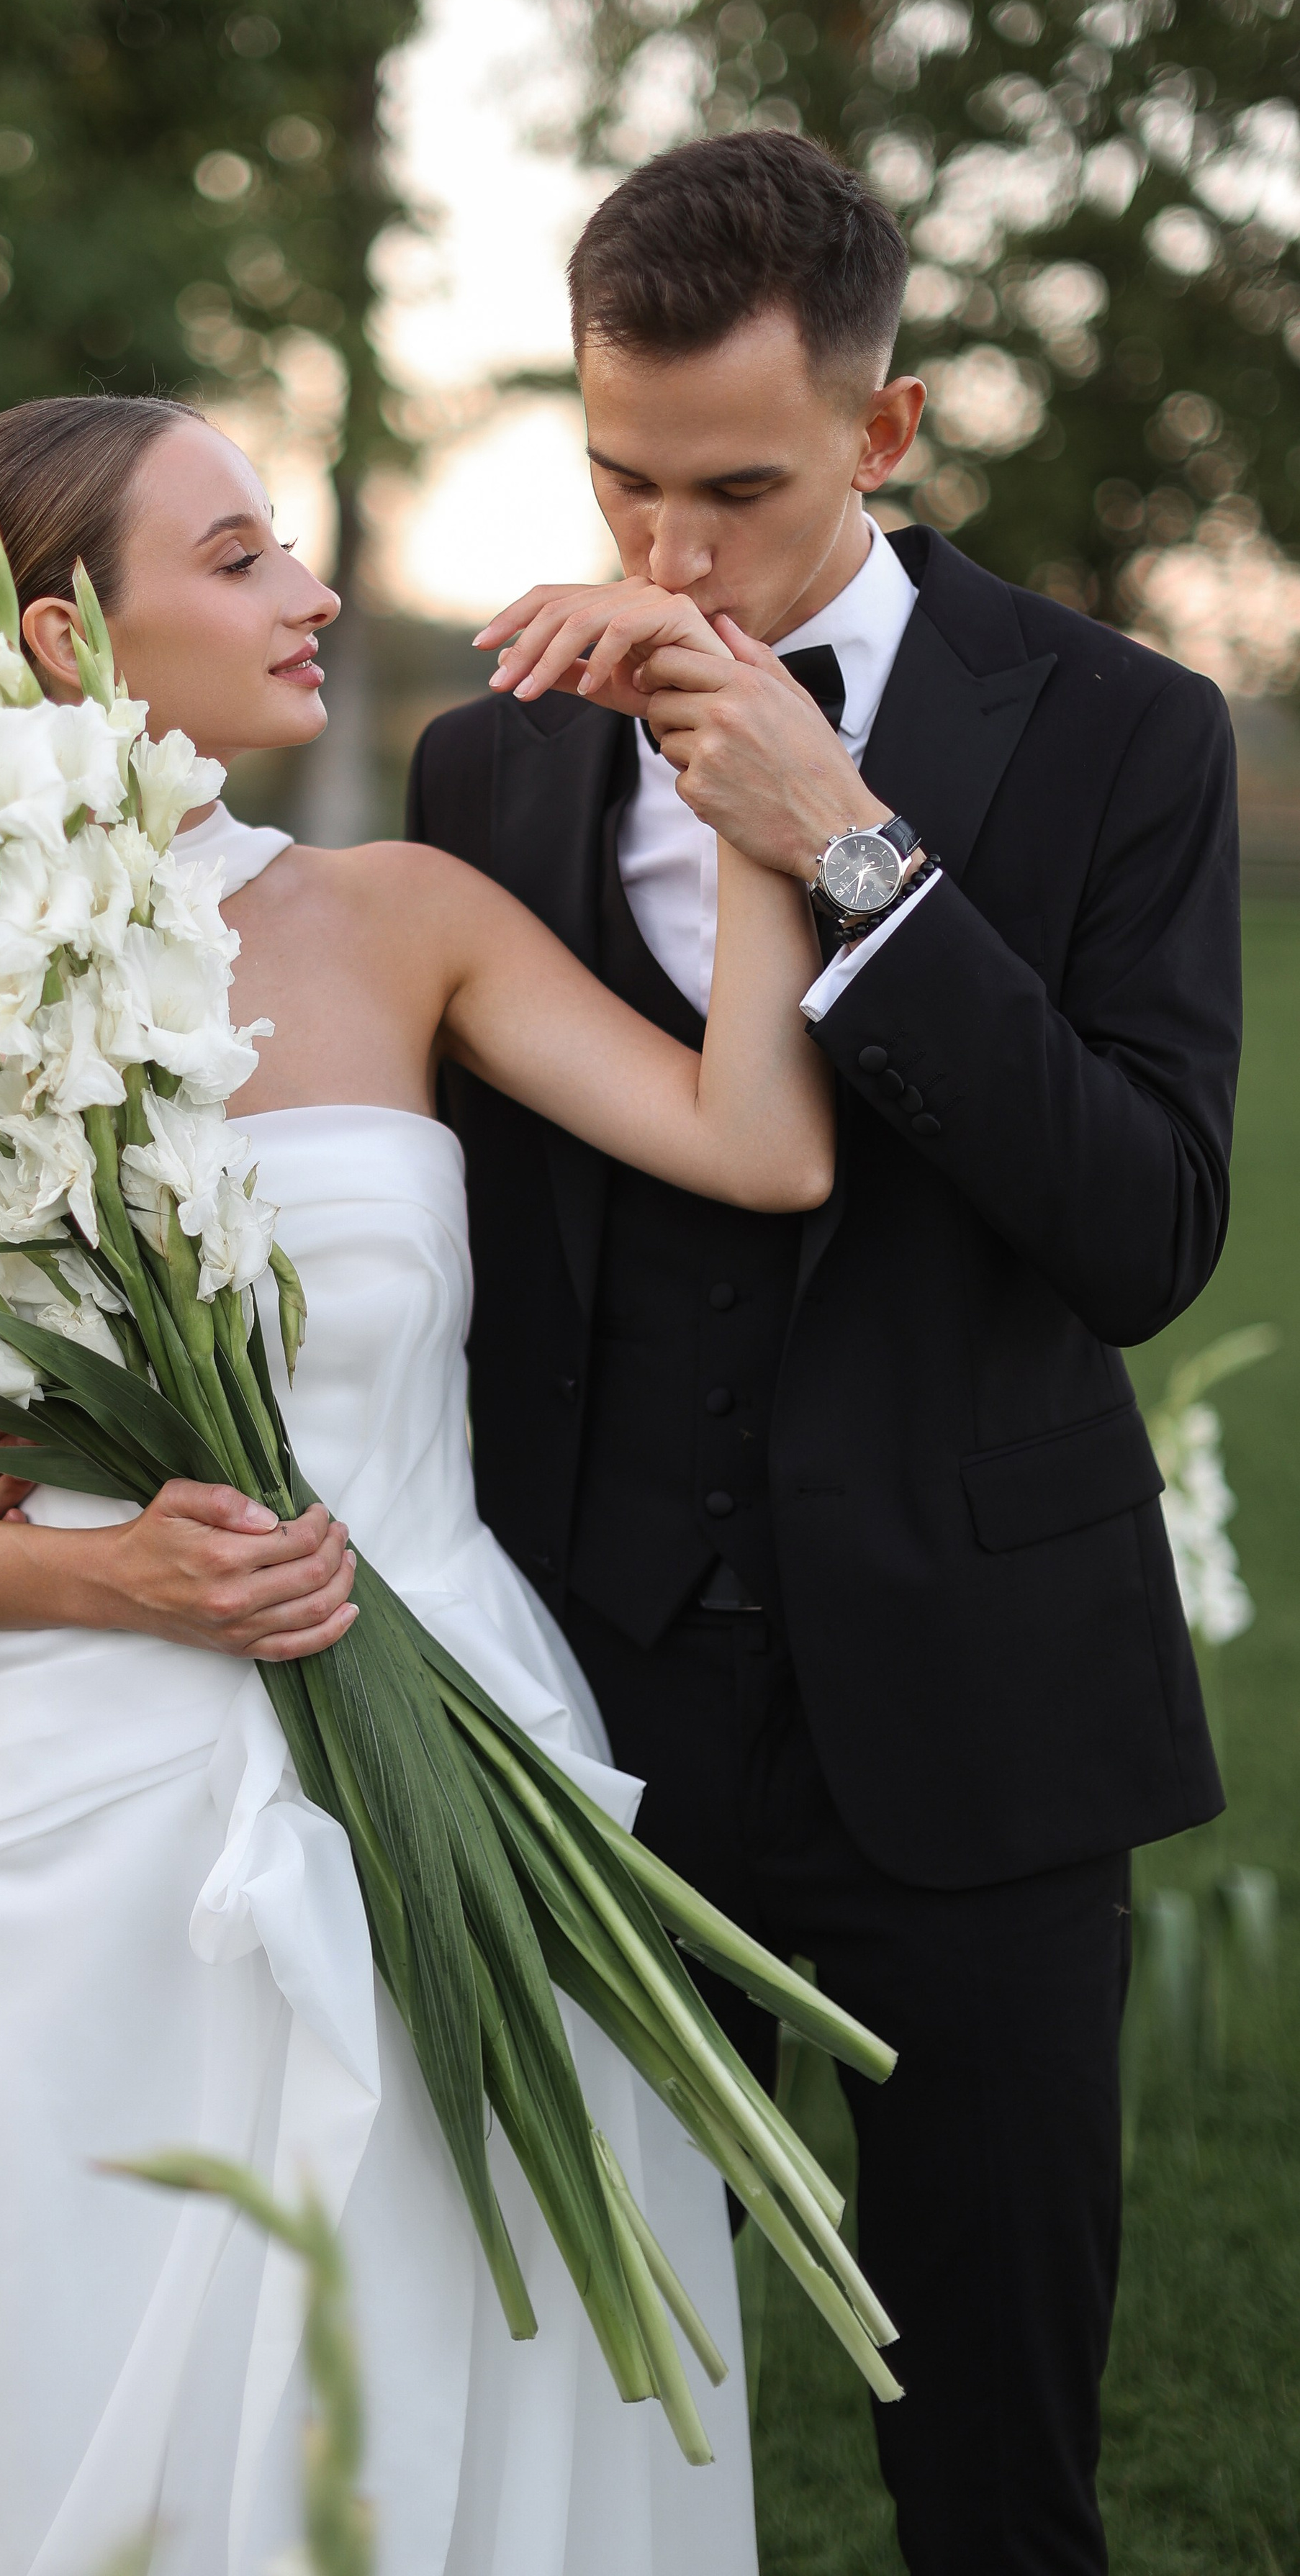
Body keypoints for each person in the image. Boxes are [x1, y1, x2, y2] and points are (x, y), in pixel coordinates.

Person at [0, 391, 838, 2576]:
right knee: (66, 2393)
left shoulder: (403, 917)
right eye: (238, 557)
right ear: (55, 635)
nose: (307, 593)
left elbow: (762, 1146)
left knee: (445, 2356)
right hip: (89, 1829)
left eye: (288, 545)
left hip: (459, 1757)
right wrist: (132, 1586)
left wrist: (750, 813)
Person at [406, 130, 1240, 2576]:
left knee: (994, 2443)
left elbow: (1141, 1227)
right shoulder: (499, 756)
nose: (667, 559)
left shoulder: (1123, 735)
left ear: (886, 435)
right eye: (618, 481)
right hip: (590, 1715)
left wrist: (850, 845)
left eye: (740, 490)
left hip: (979, 1717)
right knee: (566, 2404)